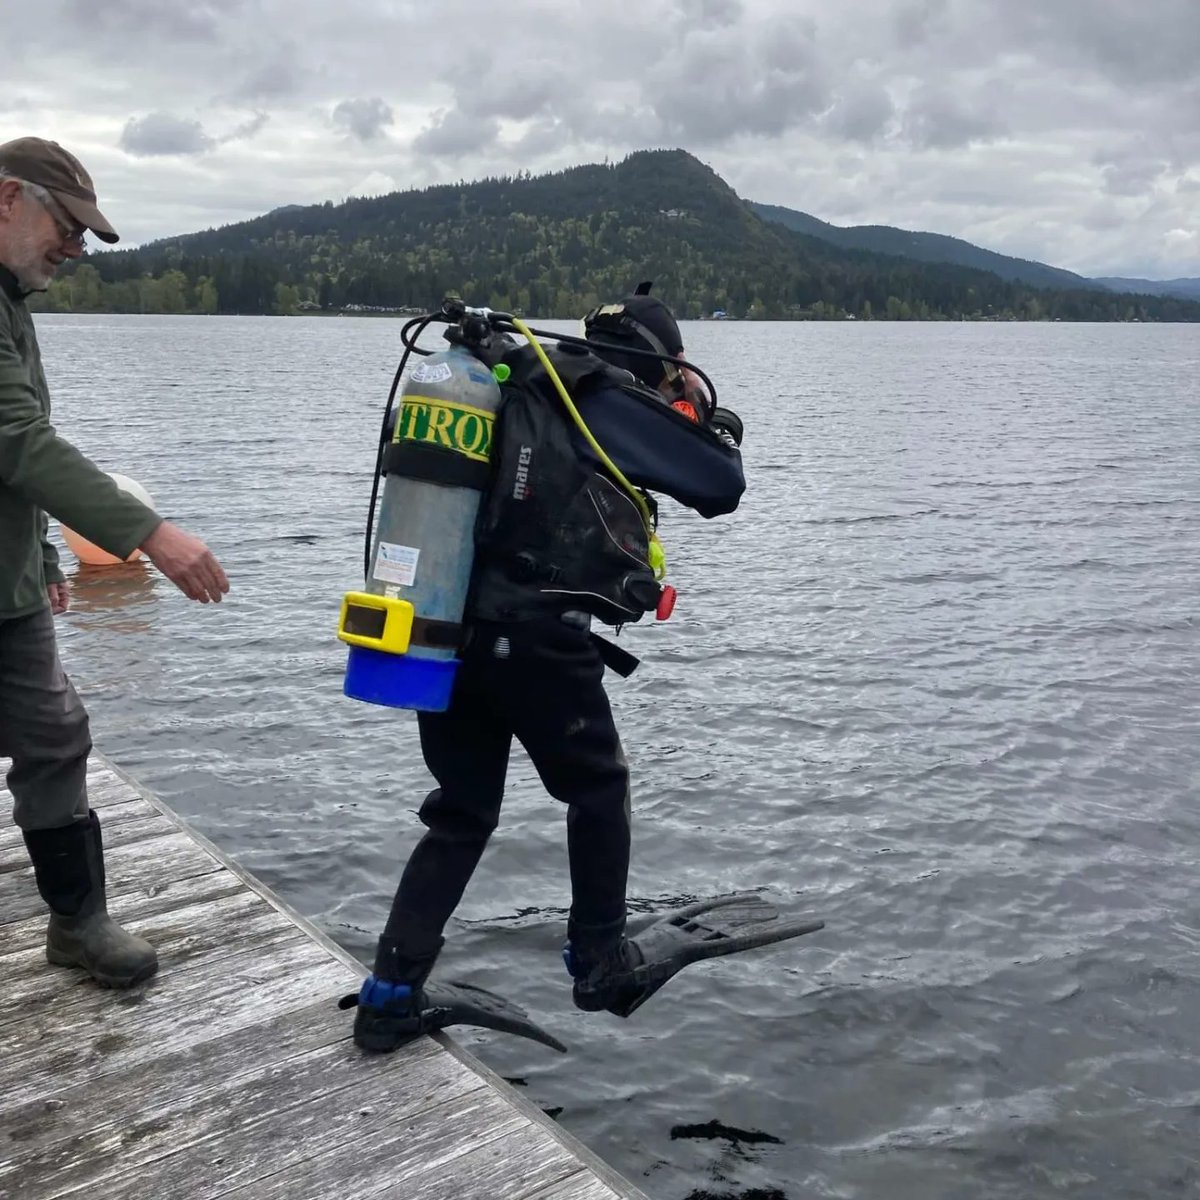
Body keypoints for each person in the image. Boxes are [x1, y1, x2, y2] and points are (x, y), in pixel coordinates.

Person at [346, 284, 817, 1054]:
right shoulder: (596, 392)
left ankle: (390, 992)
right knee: (597, 787)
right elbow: (719, 487)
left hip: (447, 637)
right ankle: (601, 960)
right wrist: (705, 423)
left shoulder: (512, 380)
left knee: (462, 812)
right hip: (535, 641)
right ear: (660, 358)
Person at [0, 136, 230, 989]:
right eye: (67, 226)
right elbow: (18, 440)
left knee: (55, 735)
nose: (76, 248)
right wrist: (151, 533)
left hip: (9, 583)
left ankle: (78, 924)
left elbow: (8, 458)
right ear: (7, 199)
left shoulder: (9, 300)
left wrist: (45, 550)